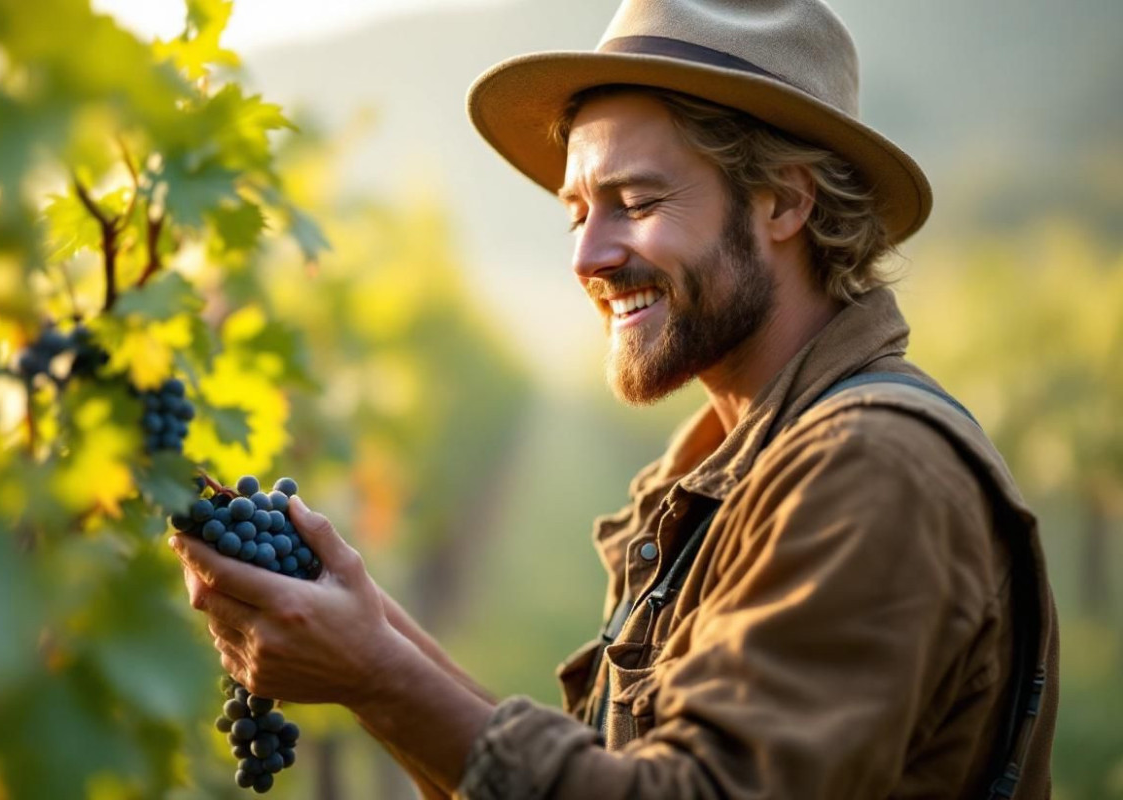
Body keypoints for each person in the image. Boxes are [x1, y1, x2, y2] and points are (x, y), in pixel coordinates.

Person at [169, 0, 1060, 797]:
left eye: (634, 201)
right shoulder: (734, 463)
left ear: (784, 201)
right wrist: (374, 636)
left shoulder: (870, 468)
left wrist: (376, 676)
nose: (587, 257)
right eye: (576, 211)